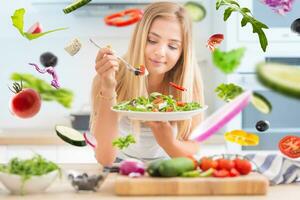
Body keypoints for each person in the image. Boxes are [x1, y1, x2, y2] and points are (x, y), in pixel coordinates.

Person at [90, 1, 204, 166]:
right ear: (140, 39)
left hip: (168, 169)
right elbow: (105, 158)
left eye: (172, 46)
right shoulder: (111, 77)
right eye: (152, 40)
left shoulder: (187, 83)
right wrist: (108, 87)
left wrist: (168, 143)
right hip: (120, 168)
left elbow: (192, 155)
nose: (160, 52)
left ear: (183, 52)